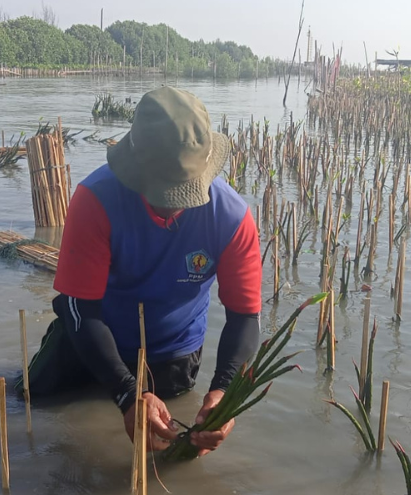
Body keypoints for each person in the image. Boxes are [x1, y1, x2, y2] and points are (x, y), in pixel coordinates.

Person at [23, 87, 262, 456]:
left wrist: (223, 393)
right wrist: (127, 393)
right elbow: (78, 308)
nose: (173, 208)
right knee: (27, 410)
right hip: (89, 340)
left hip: (172, 354)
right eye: (164, 193)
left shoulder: (231, 218)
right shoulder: (95, 201)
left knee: (169, 455)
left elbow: (245, 317)